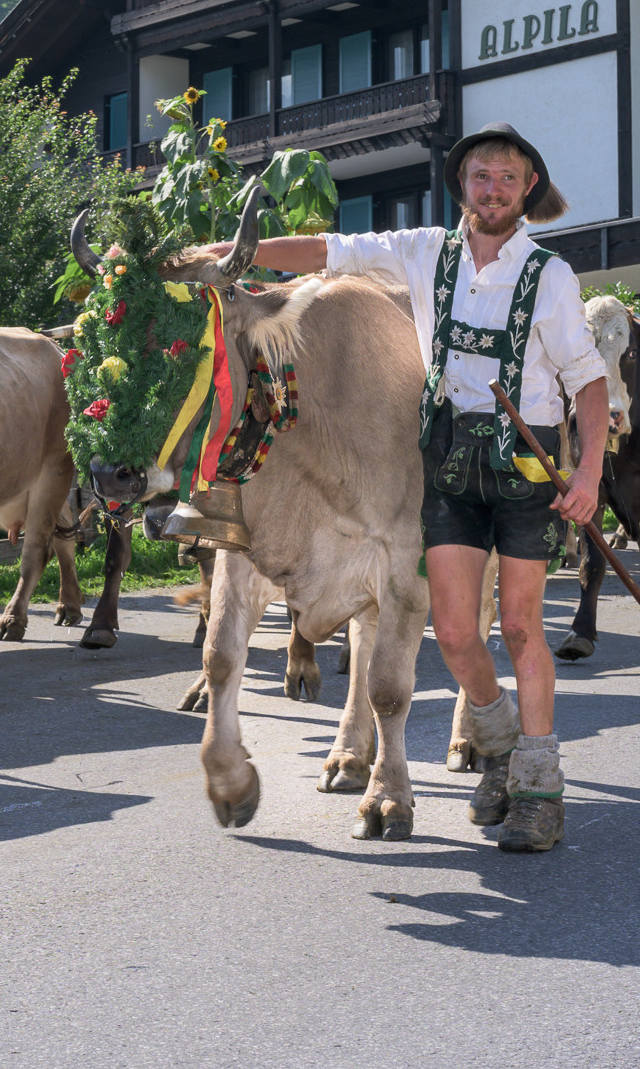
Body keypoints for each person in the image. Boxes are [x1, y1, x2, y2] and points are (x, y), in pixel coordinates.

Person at [201, 124, 611, 853]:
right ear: (463, 186)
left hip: (524, 463)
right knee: (452, 631)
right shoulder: (426, 251)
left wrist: (588, 473)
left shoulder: (550, 276)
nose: (493, 189)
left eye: (508, 178)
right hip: (446, 459)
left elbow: (589, 381)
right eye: (481, 175)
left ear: (527, 191)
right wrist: (224, 256)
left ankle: (539, 788)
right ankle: (501, 744)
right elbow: (329, 252)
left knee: (519, 626)